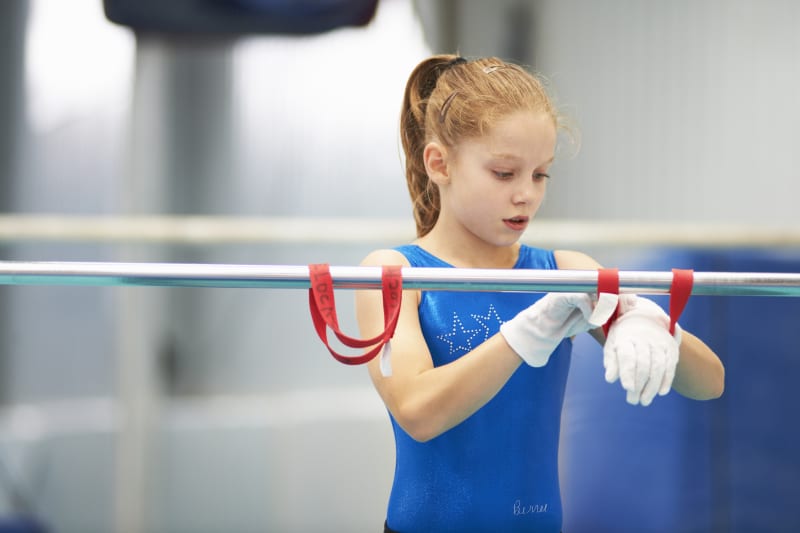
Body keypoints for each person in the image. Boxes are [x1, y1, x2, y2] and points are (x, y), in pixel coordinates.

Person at [354, 54, 725, 533]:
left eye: (540, 174)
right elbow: (418, 413)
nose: (526, 194)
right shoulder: (394, 273)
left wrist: (645, 319)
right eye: (505, 173)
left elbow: (709, 382)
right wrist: (524, 334)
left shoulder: (563, 271)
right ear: (439, 163)